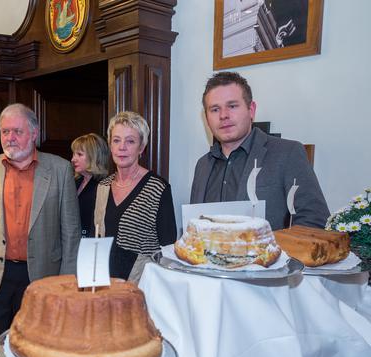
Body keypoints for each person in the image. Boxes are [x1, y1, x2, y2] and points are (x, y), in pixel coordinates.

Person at [0, 103, 80, 349]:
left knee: (36, 345)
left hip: (42, 275)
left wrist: (66, 279)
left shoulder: (60, 169)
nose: (10, 138)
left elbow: (71, 230)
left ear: (34, 133)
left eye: (17, 131)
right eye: (5, 132)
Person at [190, 71, 329, 230]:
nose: (223, 115)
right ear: (207, 118)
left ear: (251, 110)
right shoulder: (202, 165)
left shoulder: (288, 153)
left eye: (232, 106)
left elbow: (315, 222)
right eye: (215, 109)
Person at [94, 111, 176, 281]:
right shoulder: (103, 187)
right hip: (104, 284)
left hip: (141, 286)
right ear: (110, 145)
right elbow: (97, 238)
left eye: (130, 141)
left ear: (141, 148)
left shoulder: (158, 188)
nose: (122, 147)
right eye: (116, 140)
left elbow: (168, 246)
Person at [70, 133, 111, 237]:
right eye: (73, 154)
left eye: (79, 154)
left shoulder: (105, 185)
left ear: (94, 156)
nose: (73, 159)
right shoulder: (74, 181)